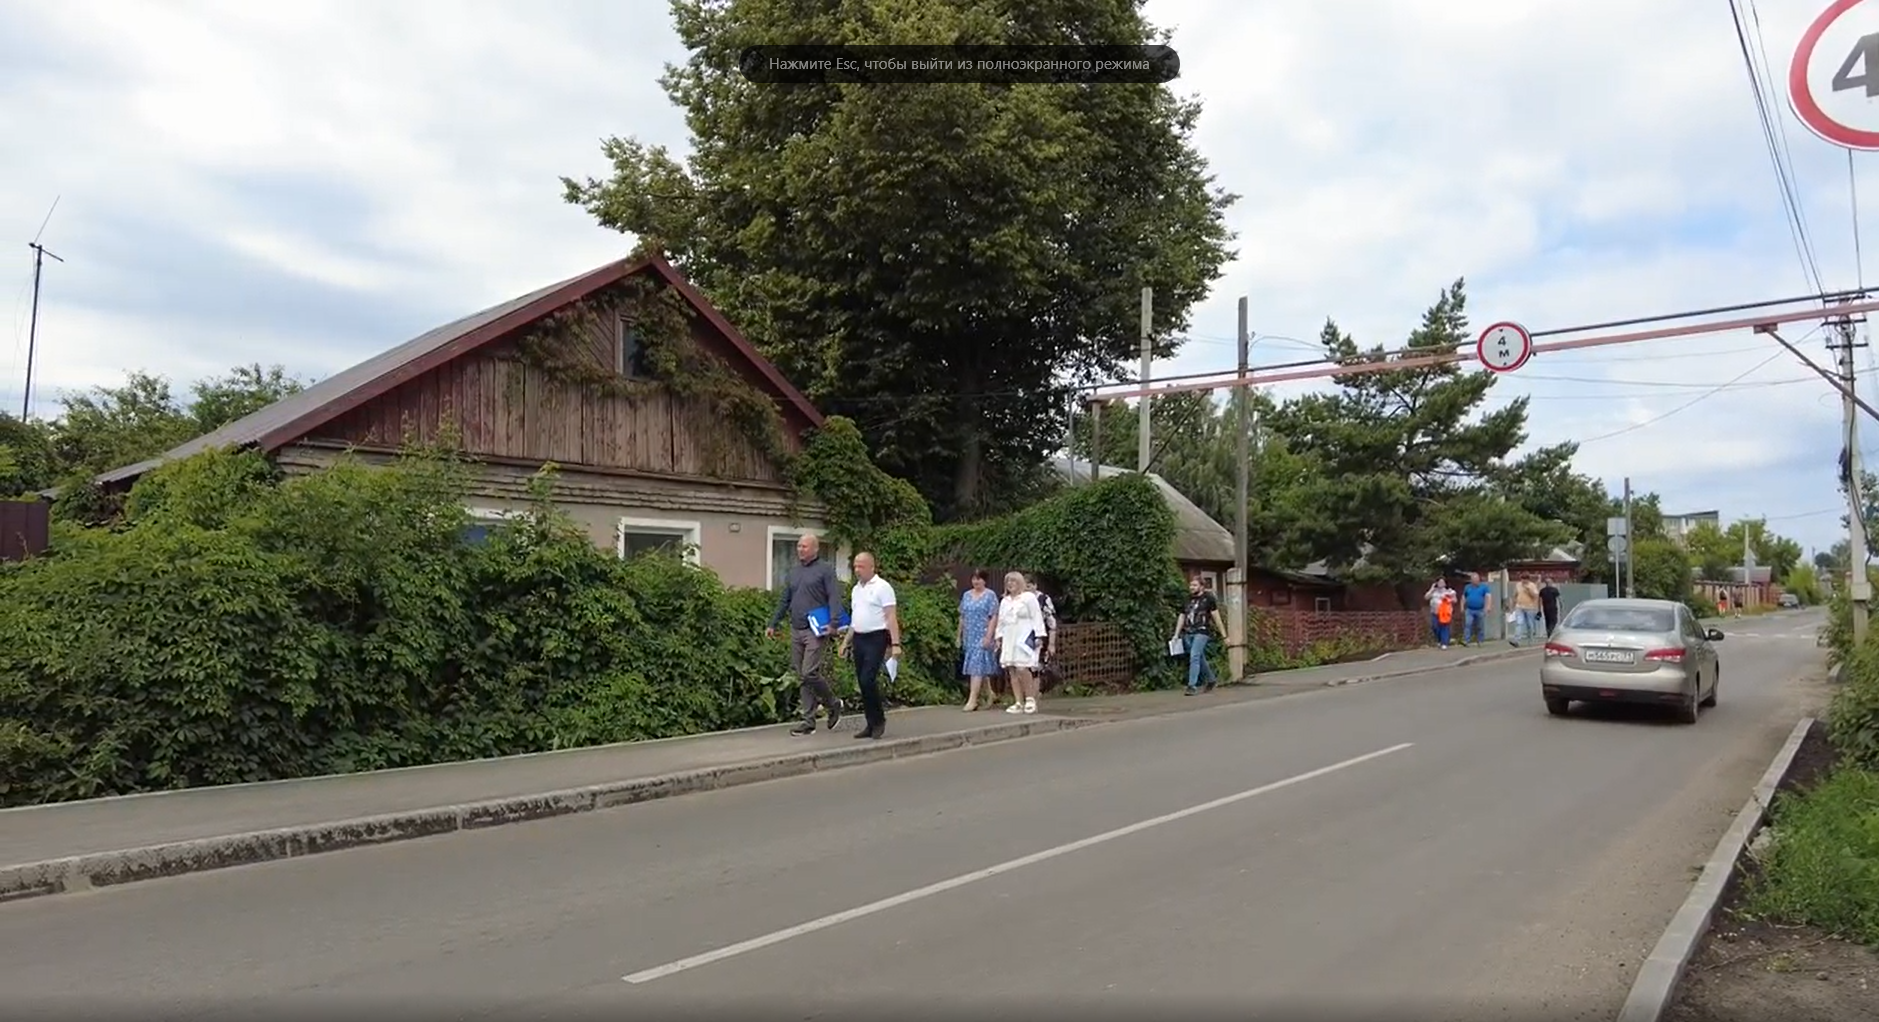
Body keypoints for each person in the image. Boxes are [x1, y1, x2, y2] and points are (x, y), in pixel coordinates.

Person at [766, 533, 845, 736]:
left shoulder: (825, 570)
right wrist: (773, 623)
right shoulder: (794, 572)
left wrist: (834, 623)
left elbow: (834, 597)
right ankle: (808, 721)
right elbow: (785, 599)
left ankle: (832, 703)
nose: (800, 549)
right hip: (796, 628)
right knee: (803, 676)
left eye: (804, 546)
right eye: (799, 546)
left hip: (816, 629)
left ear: (815, 549)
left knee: (809, 672)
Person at [838, 552, 900, 740]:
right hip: (859, 637)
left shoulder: (883, 587)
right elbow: (856, 619)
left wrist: (895, 643)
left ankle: (879, 720)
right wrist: (845, 642)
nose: (857, 570)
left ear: (872, 567)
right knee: (862, 682)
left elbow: (891, 616)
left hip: (876, 637)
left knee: (868, 679)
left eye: (861, 566)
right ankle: (870, 723)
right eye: (855, 566)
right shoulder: (856, 589)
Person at [988, 570, 1046, 714]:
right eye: (1008, 581)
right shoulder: (1005, 601)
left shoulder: (1028, 598)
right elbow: (1001, 621)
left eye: (1013, 581)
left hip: (1024, 636)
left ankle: (1030, 699)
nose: (1010, 584)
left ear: (1020, 583)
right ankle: (1018, 701)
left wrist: (1039, 635)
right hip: (1009, 636)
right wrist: (998, 638)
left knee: (1022, 668)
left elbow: (1036, 617)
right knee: (1012, 669)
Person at [1172, 574, 1228, 695]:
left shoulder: (1208, 599)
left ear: (1201, 587)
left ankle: (1192, 686)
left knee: (1194, 656)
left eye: (1194, 585)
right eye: (1191, 585)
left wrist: (1224, 636)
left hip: (1202, 631)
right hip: (1188, 632)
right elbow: (1182, 616)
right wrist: (1176, 634)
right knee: (1199, 657)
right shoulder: (1187, 599)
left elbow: (1216, 618)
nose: (1191, 587)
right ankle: (1211, 679)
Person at [957, 569, 1000, 711]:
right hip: (970, 635)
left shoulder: (990, 595)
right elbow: (962, 616)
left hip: (983, 633)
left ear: (984, 580)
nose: (976, 582)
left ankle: (972, 699)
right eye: (974, 579)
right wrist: (959, 635)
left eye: (979, 579)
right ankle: (990, 693)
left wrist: (989, 636)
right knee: (979, 666)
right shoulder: (967, 595)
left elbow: (993, 616)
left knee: (976, 666)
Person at [1460, 572, 1493, 646]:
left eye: (1477, 579)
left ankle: (1480, 640)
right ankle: (1466, 640)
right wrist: (1462, 606)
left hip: (1480, 609)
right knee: (1468, 624)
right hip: (1469, 609)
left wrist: (1488, 607)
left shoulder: (1484, 587)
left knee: (1480, 626)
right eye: (1474, 579)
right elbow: (1463, 597)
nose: (1475, 581)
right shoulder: (1467, 587)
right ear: (1471, 580)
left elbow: (1488, 597)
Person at [1511, 577, 1542, 646]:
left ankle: (1531, 640)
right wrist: (1513, 605)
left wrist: (1529, 590)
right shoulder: (1518, 585)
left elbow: (1535, 596)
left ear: (1528, 579)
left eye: (1525, 580)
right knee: (1519, 623)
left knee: (1530, 624)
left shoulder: (1532, 586)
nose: (1523, 581)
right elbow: (1515, 595)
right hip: (1519, 607)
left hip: (1530, 607)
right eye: (1522, 579)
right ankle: (1516, 640)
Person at [1424, 578, 1453, 649]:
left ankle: (1444, 643)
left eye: (1442, 582)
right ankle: (1439, 640)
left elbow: (1454, 600)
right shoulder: (1434, 591)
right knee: (1435, 627)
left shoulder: (1448, 591)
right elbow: (1426, 597)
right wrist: (1431, 589)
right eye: (1439, 582)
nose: (1441, 583)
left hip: (1444, 613)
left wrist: (1448, 599)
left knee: (1444, 627)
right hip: (1435, 612)